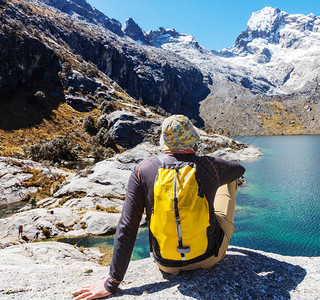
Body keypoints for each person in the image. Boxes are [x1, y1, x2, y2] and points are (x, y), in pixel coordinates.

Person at [73, 115, 245, 299]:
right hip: (209, 257)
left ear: (164, 141)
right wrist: (206, 168)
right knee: (230, 181)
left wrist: (112, 282)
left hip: (166, 264)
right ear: (193, 139)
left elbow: (127, 227)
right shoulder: (210, 165)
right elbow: (239, 169)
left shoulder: (142, 170)